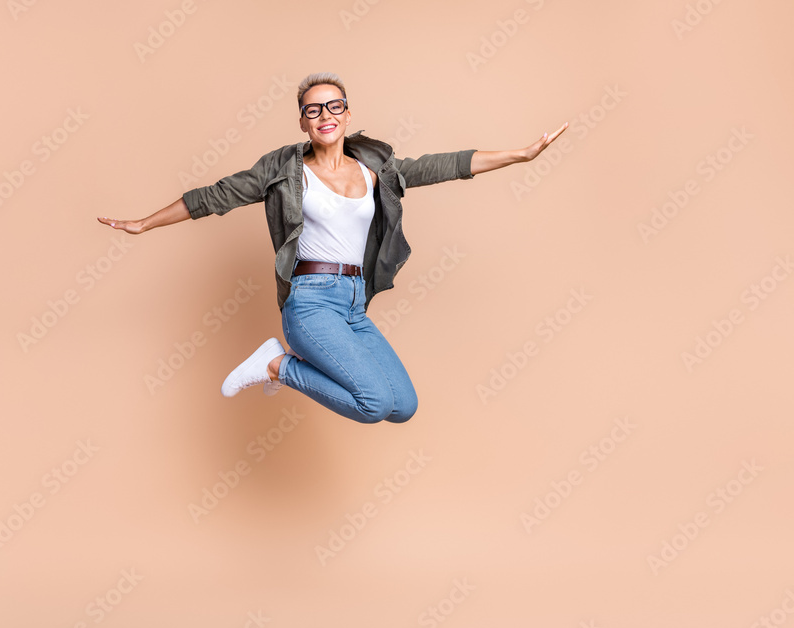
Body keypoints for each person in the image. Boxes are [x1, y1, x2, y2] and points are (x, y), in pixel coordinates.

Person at [98, 72, 567, 424]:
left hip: (353, 304)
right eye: (313, 109)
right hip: (310, 302)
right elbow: (214, 196)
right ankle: (276, 364)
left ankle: (278, 364)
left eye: (333, 106)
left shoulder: (375, 168)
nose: (324, 115)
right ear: (303, 121)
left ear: (348, 114)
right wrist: (144, 223)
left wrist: (519, 155)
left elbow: (441, 165)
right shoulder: (283, 169)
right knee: (372, 403)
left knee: (402, 407)